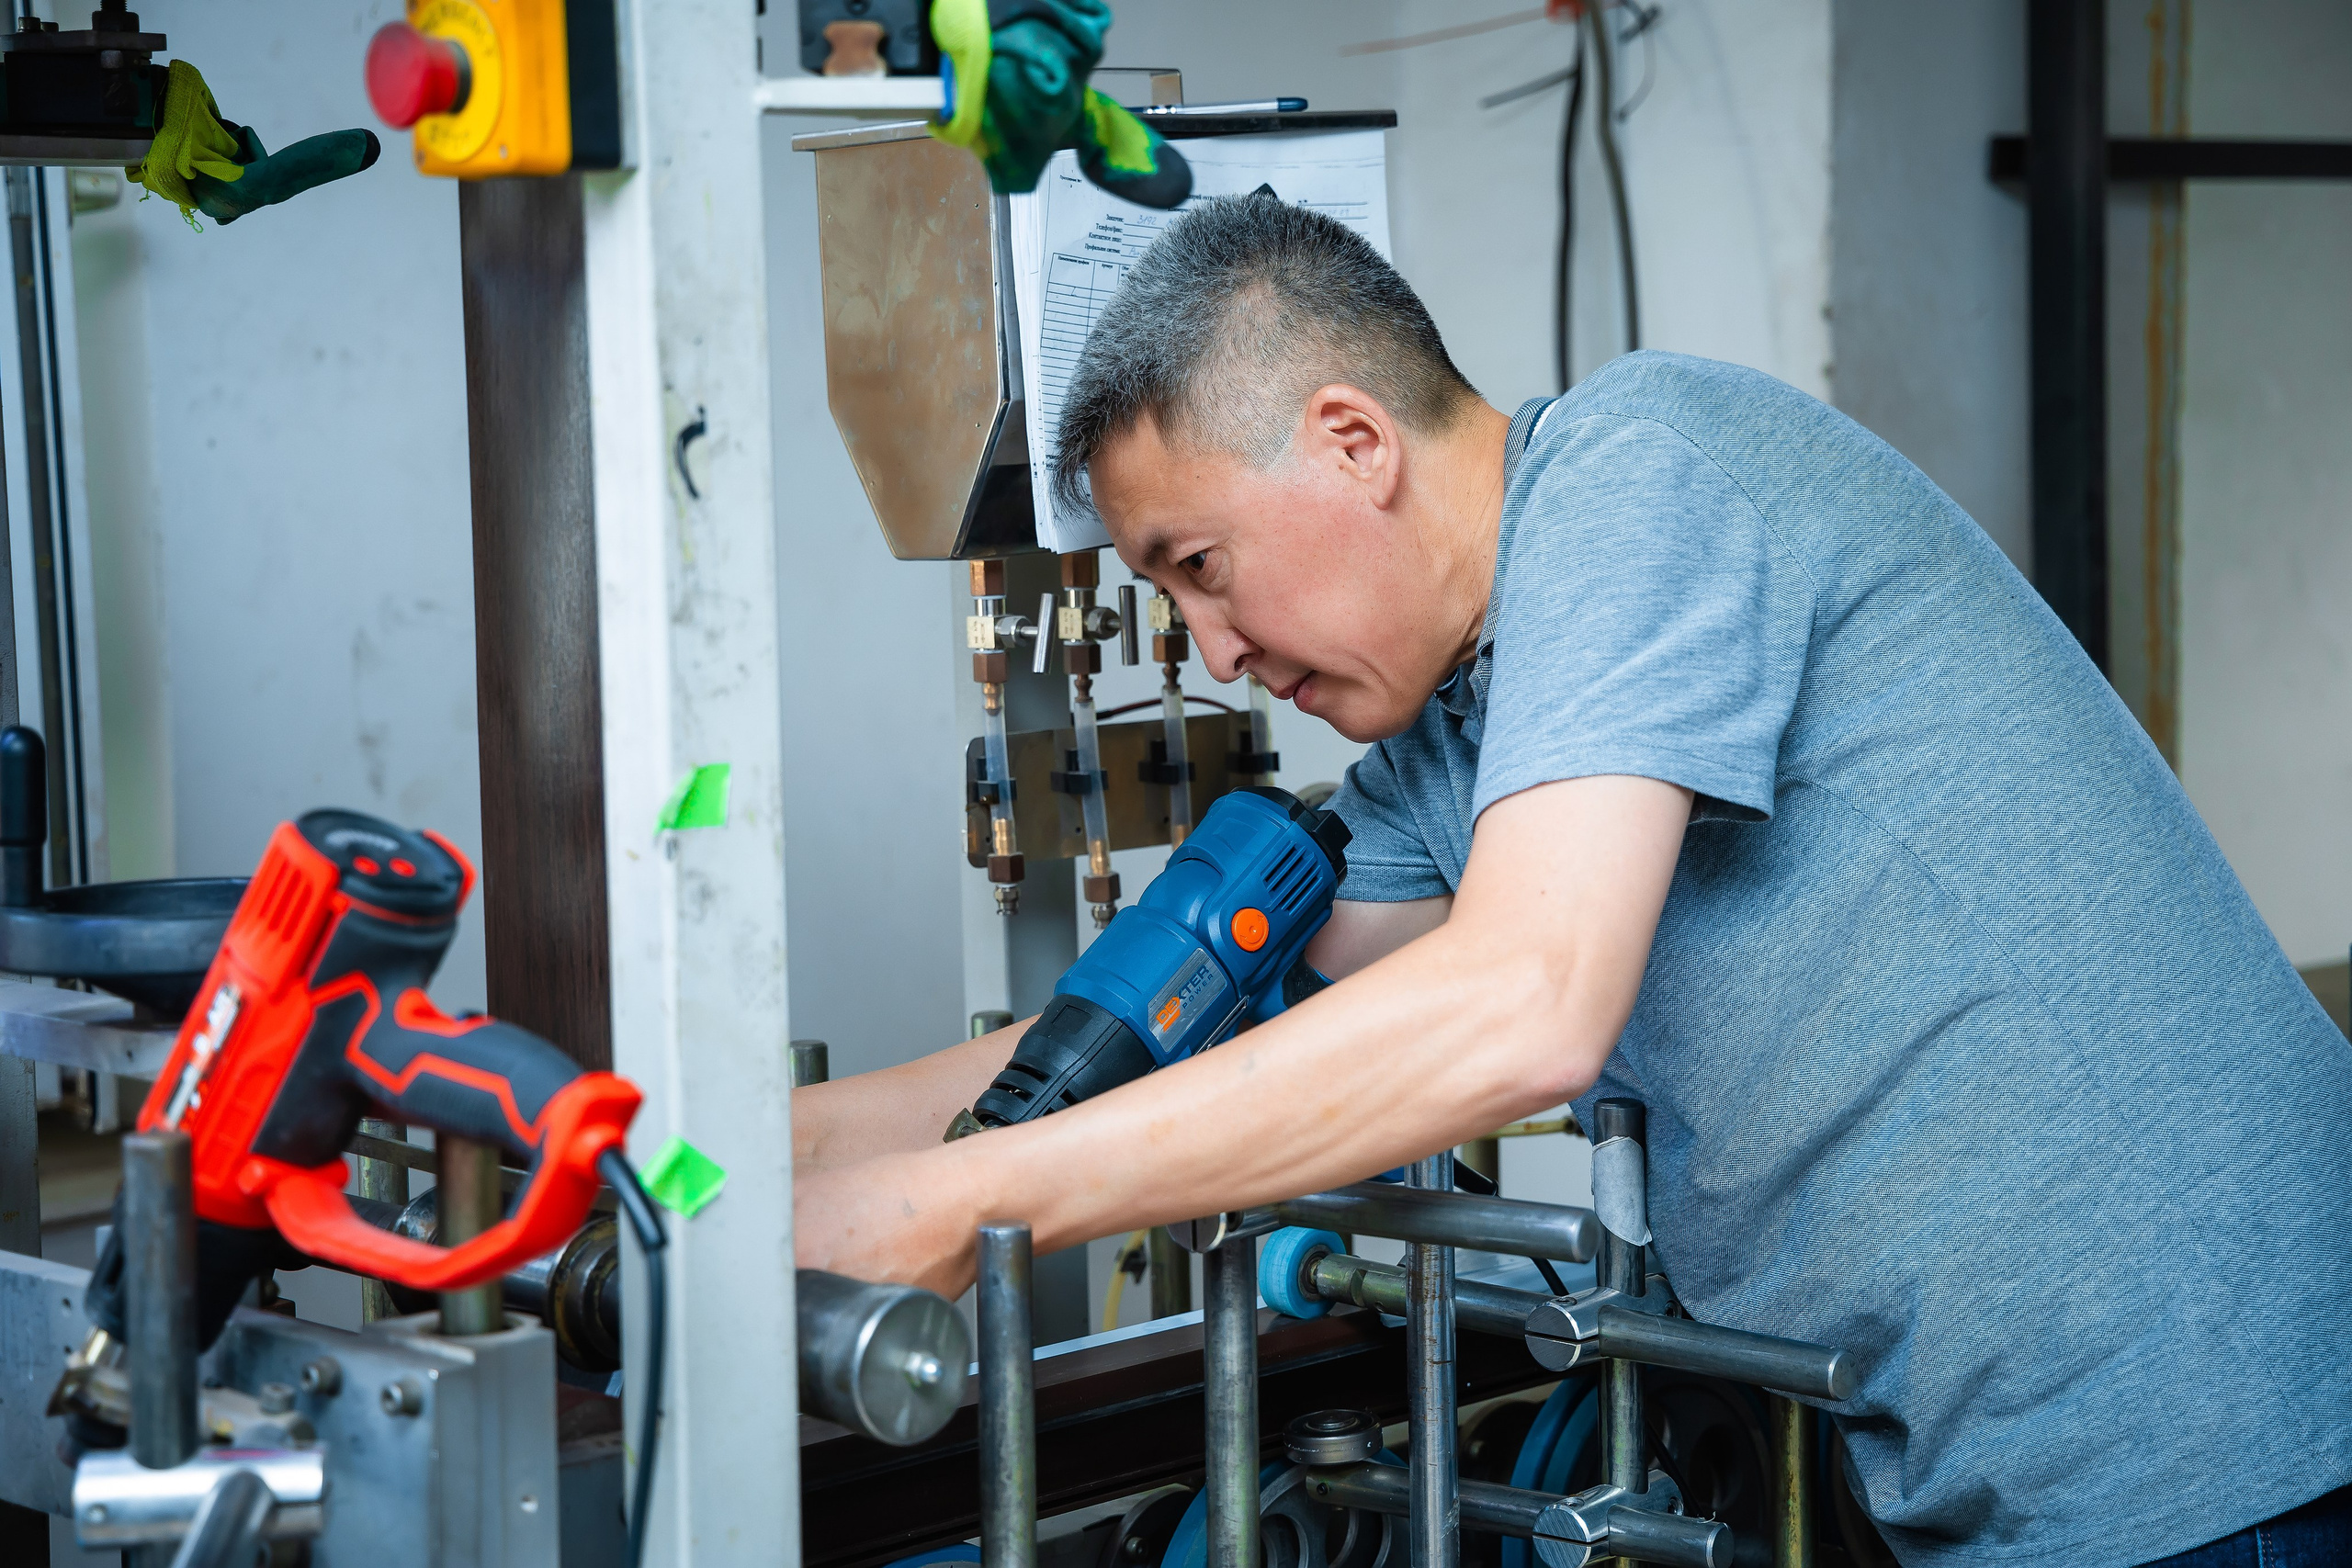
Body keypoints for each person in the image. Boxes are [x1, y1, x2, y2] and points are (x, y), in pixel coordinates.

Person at [791, 195, 2352, 1566]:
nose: (1217, 654)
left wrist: (970, 1205)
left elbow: (1524, 1004)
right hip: (2003, 1465)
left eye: (1202, 566)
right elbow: (1150, 1022)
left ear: (1352, 440)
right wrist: (736, 1175)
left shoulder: (1641, 470)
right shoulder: (1469, 741)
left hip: (2215, 1437)